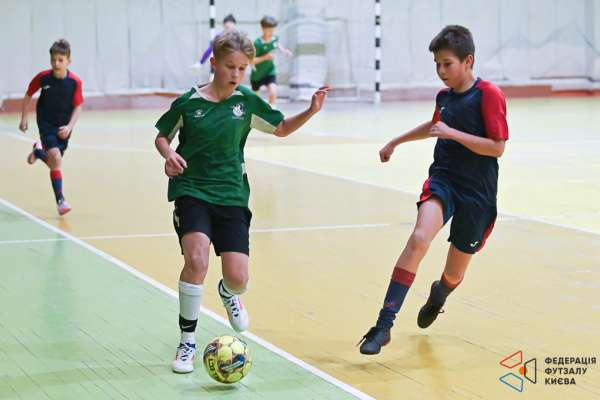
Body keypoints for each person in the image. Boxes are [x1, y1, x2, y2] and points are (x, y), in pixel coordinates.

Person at [154, 29, 331, 373]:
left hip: (232, 195)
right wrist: (168, 154)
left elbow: (281, 128)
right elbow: (163, 136)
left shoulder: (246, 102)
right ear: (215, 63)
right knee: (196, 259)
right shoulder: (188, 103)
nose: (235, 74)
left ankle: (228, 293)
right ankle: (187, 342)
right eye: (229, 66)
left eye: (242, 69)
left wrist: (311, 110)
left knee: (238, 278)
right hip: (192, 190)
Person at [358, 25, 508, 355]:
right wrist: (396, 141)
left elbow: (497, 147)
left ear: (468, 61)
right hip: (444, 179)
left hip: (478, 192)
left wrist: (453, 134)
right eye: (437, 64)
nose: (441, 71)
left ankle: (439, 295)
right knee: (418, 239)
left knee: (454, 274)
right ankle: (383, 326)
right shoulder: (445, 96)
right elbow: (435, 125)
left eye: (447, 64)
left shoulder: (489, 94)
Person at [19, 39, 84, 216]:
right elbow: (28, 94)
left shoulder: (75, 82)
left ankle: (39, 152)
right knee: (56, 157)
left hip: (63, 126)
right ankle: (61, 202)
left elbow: (78, 106)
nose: (56, 64)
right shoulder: (43, 78)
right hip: (46, 124)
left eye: (60, 60)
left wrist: (69, 127)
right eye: (53, 60)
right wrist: (24, 117)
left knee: (55, 161)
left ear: (68, 61)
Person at [250, 16, 292, 106]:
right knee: (255, 99)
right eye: (269, 30)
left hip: (270, 71)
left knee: (273, 94)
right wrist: (266, 57)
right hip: (257, 74)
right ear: (263, 29)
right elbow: (251, 61)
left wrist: (284, 50)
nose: (271, 33)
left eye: (273, 30)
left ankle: (272, 112)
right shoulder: (257, 43)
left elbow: (277, 43)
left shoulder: (275, 38)